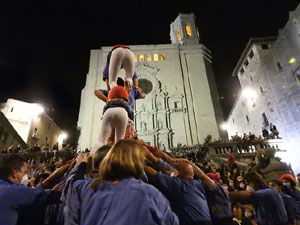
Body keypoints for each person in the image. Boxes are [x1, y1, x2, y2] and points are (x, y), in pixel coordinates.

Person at [63, 139, 179, 225]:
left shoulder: (85, 189)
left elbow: (70, 186)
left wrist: (81, 164)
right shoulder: (150, 194)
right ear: (138, 163)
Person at [145, 158, 216, 225]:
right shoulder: (199, 184)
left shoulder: (177, 184)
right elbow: (205, 178)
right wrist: (189, 162)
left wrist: (138, 163)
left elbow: (153, 173)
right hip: (207, 221)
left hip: (190, 222)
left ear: (178, 173)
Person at [0, 154, 64, 225]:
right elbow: (43, 196)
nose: (26, 176)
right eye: (24, 172)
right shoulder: (12, 190)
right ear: (15, 173)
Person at [92, 86, 131, 154]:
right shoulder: (124, 103)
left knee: (101, 139)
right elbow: (129, 112)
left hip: (108, 112)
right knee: (119, 141)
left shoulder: (109, 102)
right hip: (122, 112)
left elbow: (104, 110)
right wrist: (130, 121)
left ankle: (92, 155)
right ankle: (116, 158)